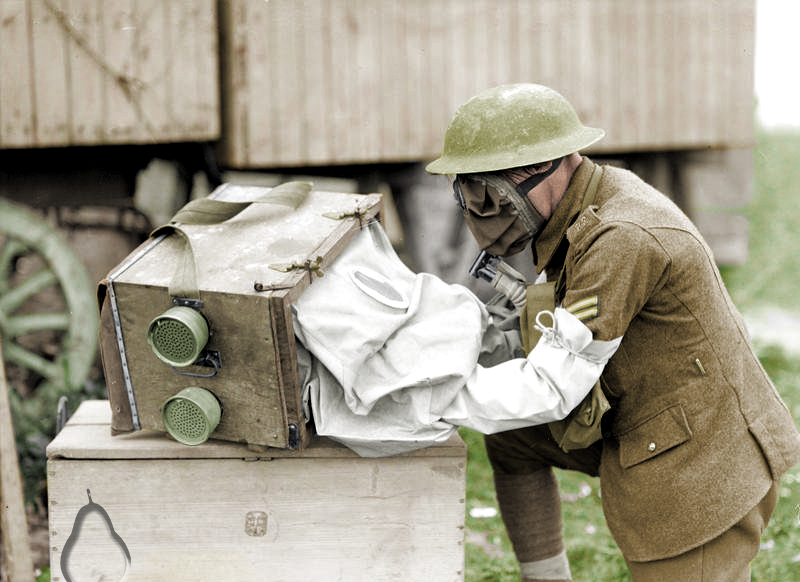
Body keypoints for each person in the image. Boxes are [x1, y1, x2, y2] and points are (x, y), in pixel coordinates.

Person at [426, 83, 800, 582]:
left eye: (496, 197)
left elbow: (551, 389)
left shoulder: (619, 238)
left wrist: (424, 394)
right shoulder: (587, 199)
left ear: (549, 167)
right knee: (514, 438)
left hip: (700, 463)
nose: (486, 216)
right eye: (473, 197)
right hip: (650, 414)